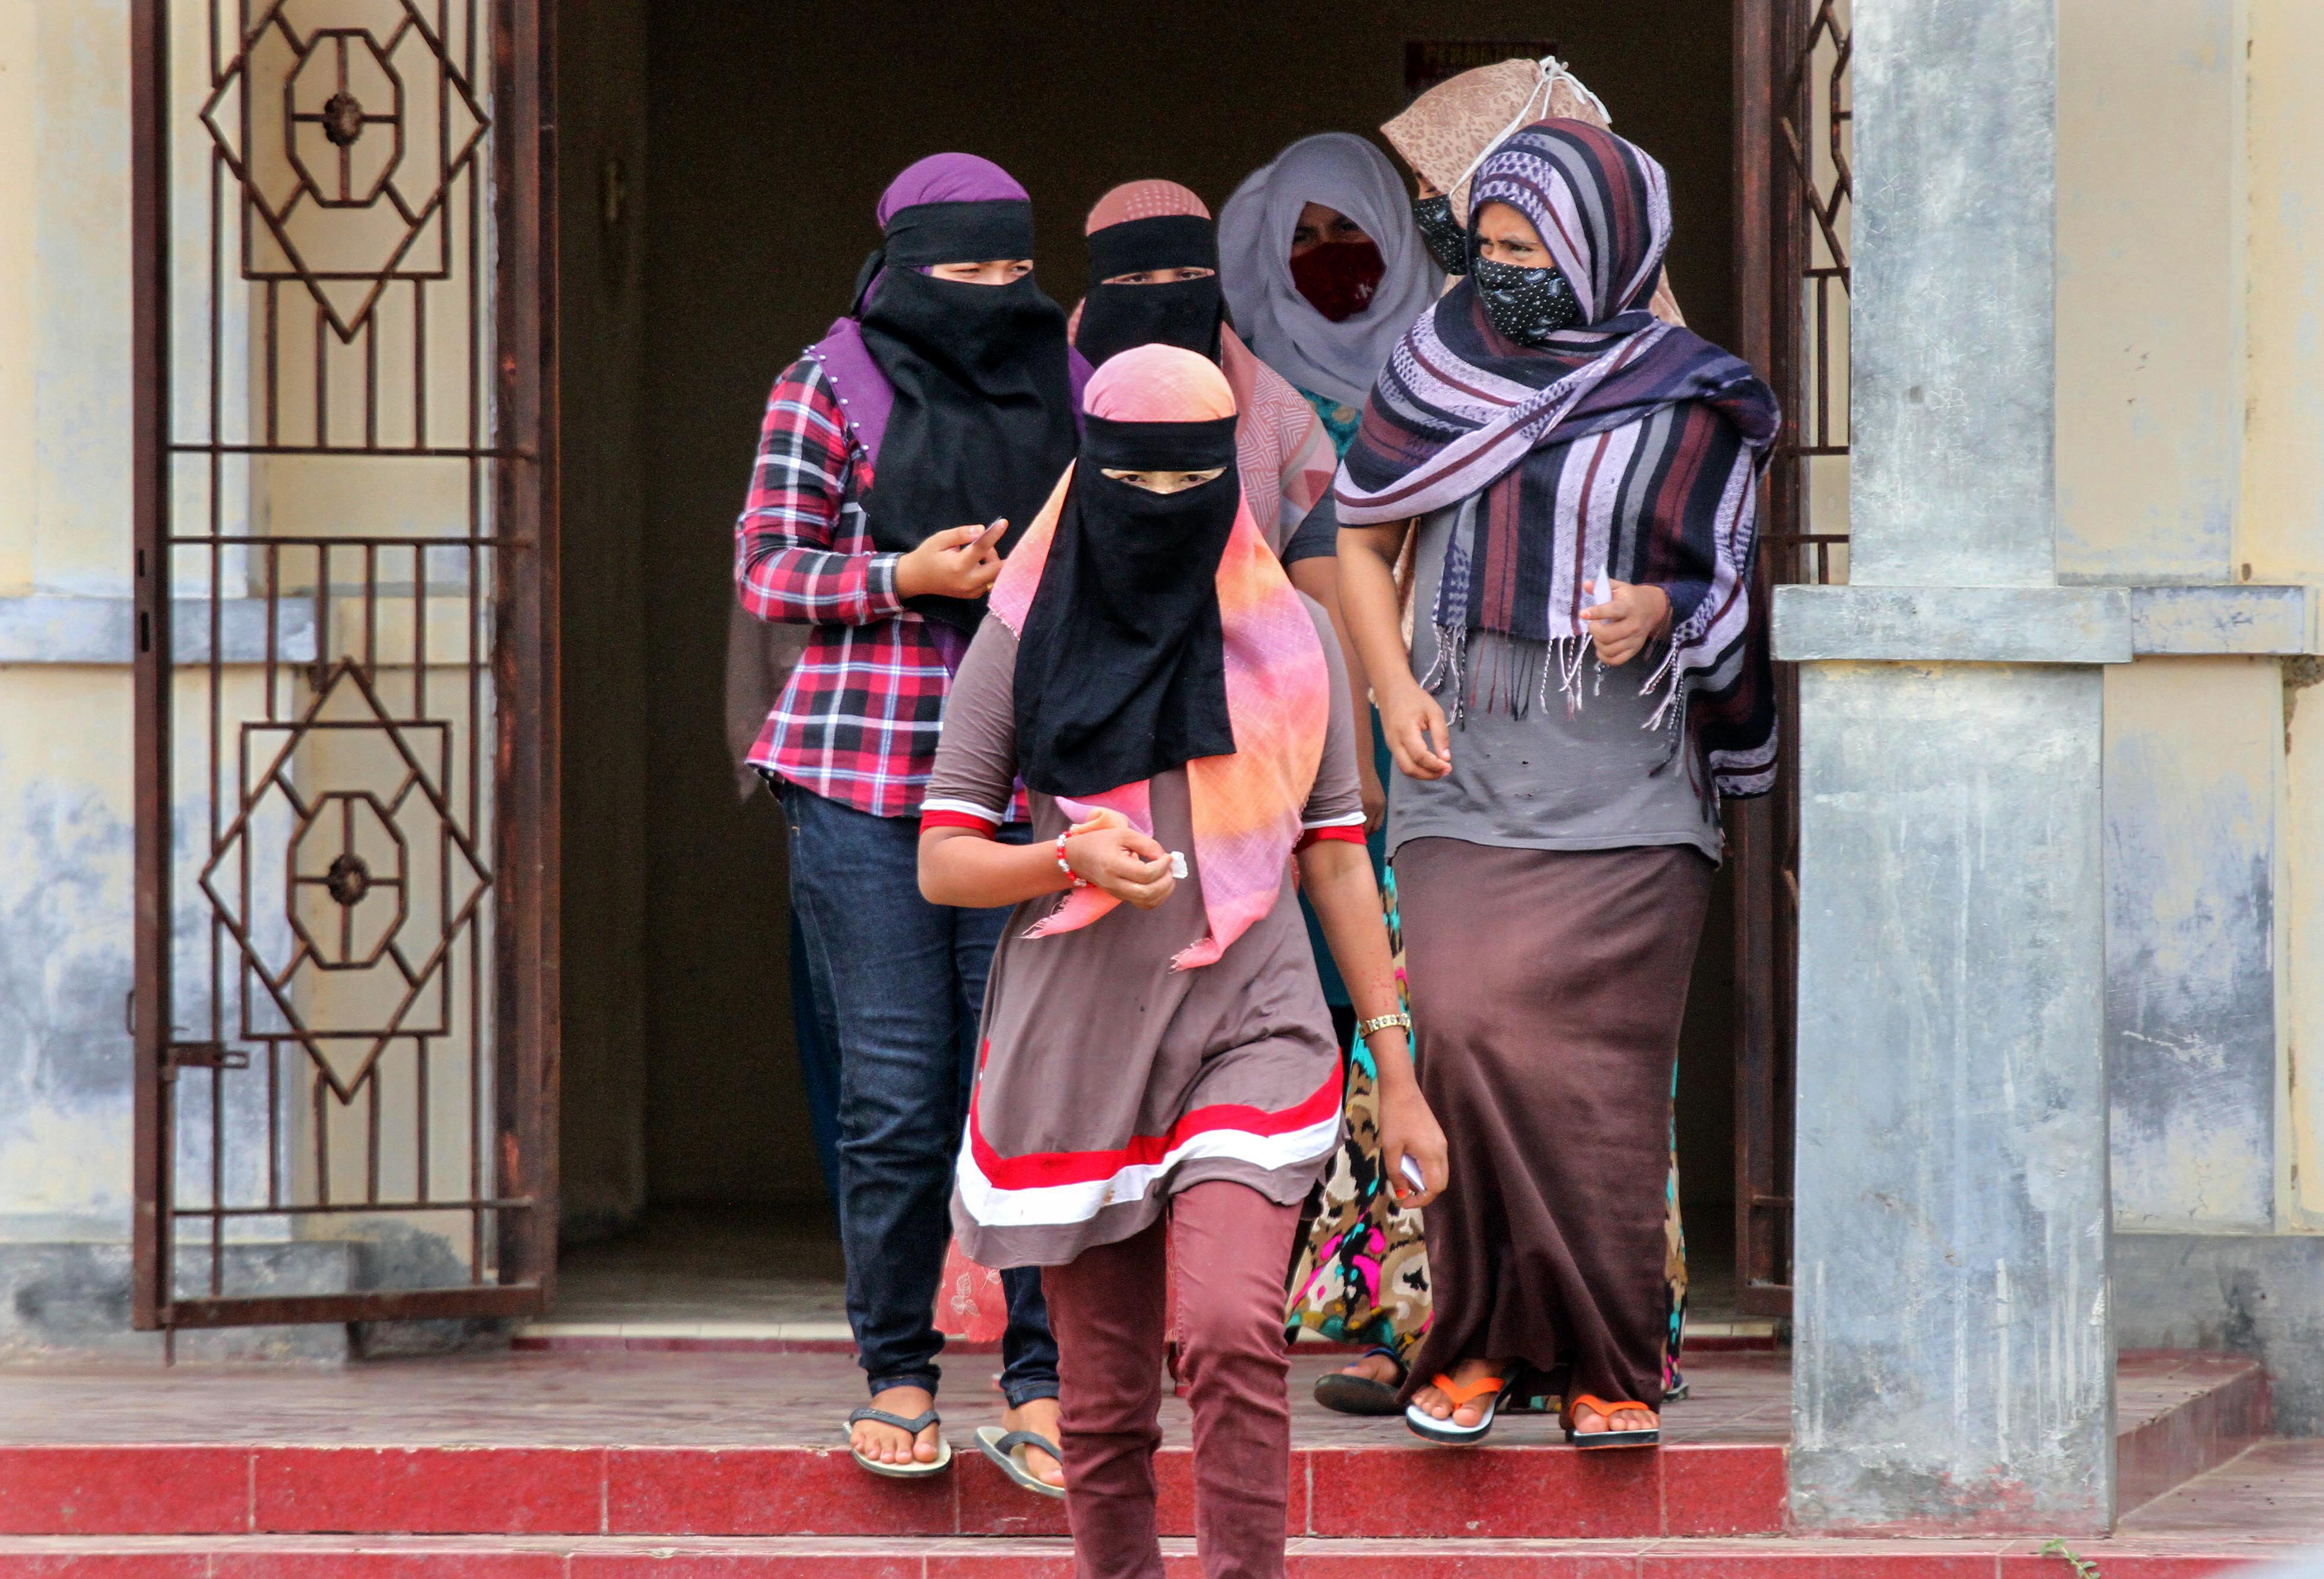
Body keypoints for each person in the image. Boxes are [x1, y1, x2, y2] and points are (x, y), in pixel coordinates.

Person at [919, 344, 1448, 1577]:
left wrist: (1398, 1068)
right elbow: (944, 858)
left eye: (1191, 476)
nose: (1163, 502)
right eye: (1134, 476)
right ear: (1088, 471)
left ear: (1230, 475)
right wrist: (1067, 858)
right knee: (1104, 1403)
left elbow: (1333, 857)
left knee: (1228, 1327)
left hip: (1251, 1023)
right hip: (1080, 1040)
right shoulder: (1020, 632)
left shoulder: (1298, 632)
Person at [1333, 120, 1779, 1449]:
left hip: (1628, 777)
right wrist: (1388, 686)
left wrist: (1658, 606)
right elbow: (1360, 535)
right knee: (1465, 1034)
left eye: (1528, 248)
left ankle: (1604, 1363)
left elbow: (1726, 575)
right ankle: (1474, 1338)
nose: (1501, 270)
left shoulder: (1694, 395)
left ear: (1606, 250)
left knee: (1597, 1083)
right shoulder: (1431, 362)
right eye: (1489, 244)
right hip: (1459, 755)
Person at [734, 151, 1079, 1488]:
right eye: (968, 271)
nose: (997, 294)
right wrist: (904, 573)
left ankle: (1043, 1382)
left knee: (1027, 1084)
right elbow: (769, 566)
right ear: (907, 268)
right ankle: (898, 1372)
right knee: (894, 1093)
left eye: (1017, 269)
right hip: (863, 774)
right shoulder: (827, 384)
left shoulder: (1071, 380)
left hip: (1028, 783)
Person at [1219, 133, 1443, 459]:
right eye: (1301, 236)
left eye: (1347, 226)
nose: (1327, 249)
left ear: (1392, 225)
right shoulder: (1243, 379)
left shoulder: (1465, 348)